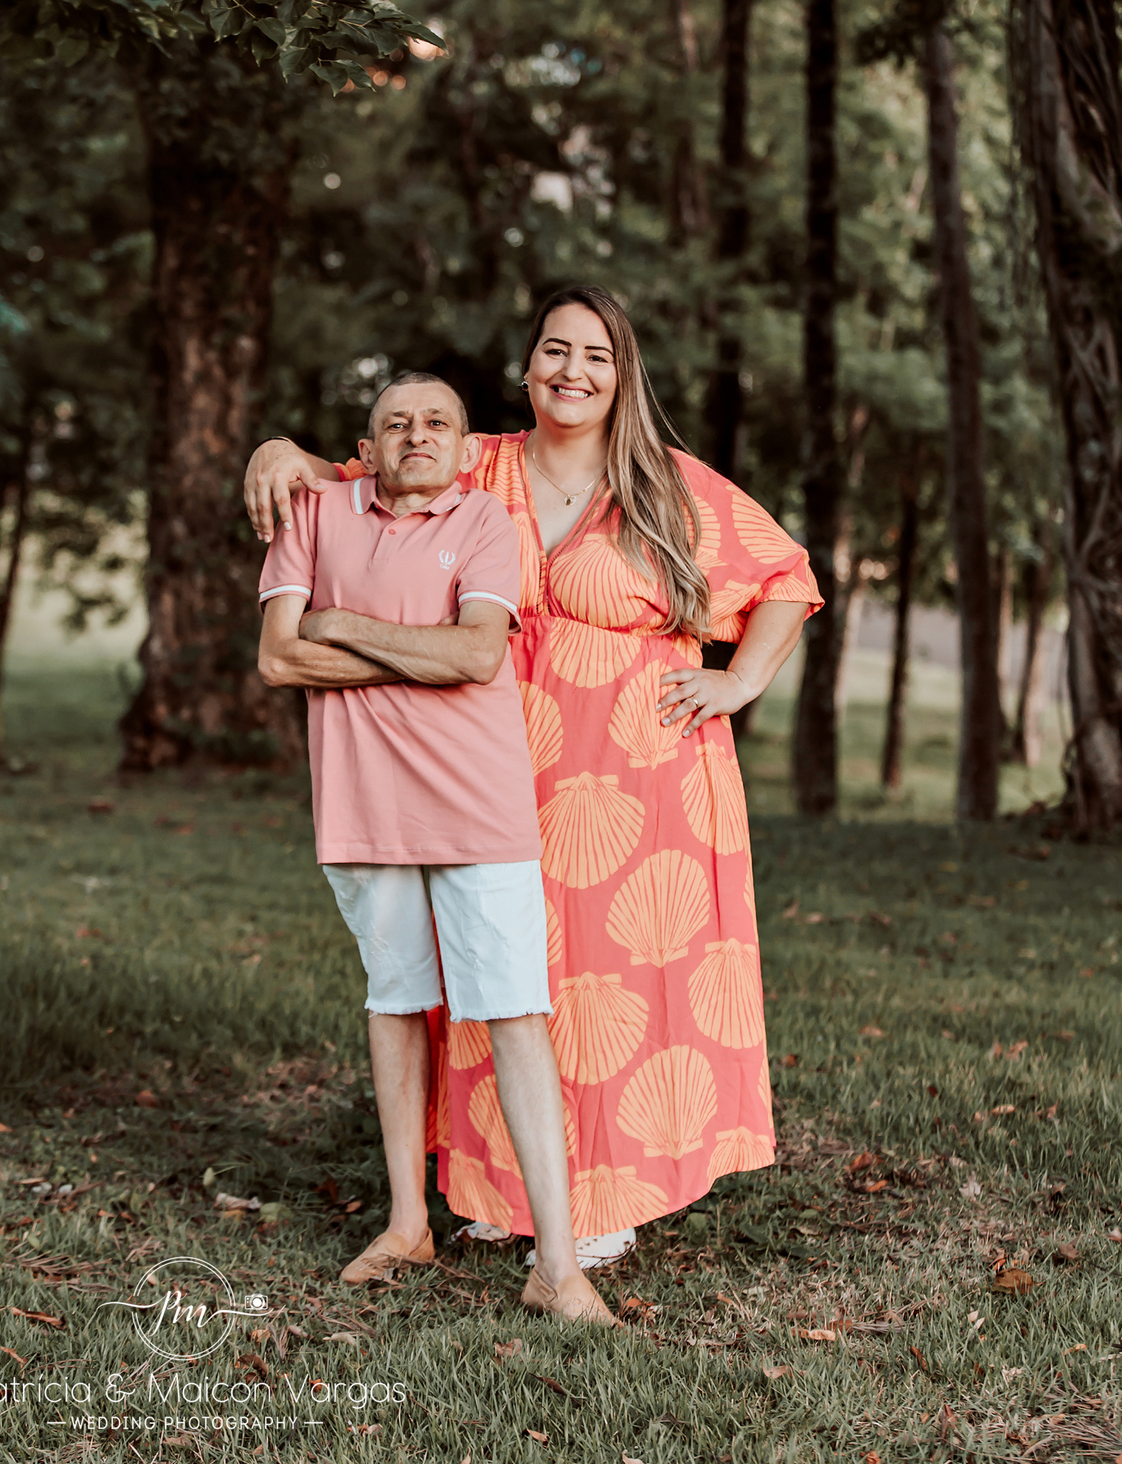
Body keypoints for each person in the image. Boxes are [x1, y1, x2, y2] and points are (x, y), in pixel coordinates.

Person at [245, 286, 821, 1269]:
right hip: (481, 765)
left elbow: (784, 578)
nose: (572, 371)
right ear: (527, 367)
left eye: (596, 356)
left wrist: (738, 681)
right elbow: (356, 474)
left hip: (640, 776)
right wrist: (276, 451)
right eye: (556, 349)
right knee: (500, 977)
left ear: (622, 376)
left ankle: (599, 1199)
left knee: (602, 986)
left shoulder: (666, 483)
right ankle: (499, 1186)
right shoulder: (479, 461)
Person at [255, 370, 617, 1324]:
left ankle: (558, 1265)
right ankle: (408, 1222)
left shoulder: (487, 519)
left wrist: (340, 623)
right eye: (395, 423)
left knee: (515, 1011)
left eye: (437, 423)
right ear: (368, 447)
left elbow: (476, 653)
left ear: (463, 447)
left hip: (477, 805)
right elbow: (279, 656)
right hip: (363, 805)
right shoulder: (315, 513)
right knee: (395, 1000)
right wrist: (412, 649)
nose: (416, 435)